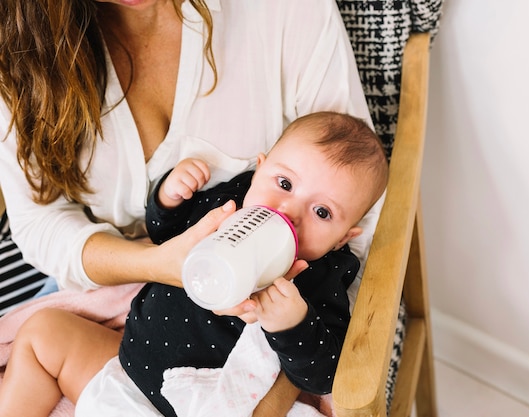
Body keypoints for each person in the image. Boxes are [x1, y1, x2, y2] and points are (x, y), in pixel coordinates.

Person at [0, 111, 389, 417]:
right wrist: (168, 198)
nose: (290, 210)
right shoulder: (228, 204)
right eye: (284, 184)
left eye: (322, 212)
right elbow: (164, 235)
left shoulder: (321, 278)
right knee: (43, 334)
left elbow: (323, 375)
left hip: (205, 405)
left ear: (343, 238)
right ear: (259, 169)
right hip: (125, 375)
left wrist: (293, 325)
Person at [0, 0, 376, 300]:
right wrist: (154, 264)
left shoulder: (283, 11)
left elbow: (362, 209)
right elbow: (40, 221)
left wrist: (293, 344)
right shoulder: (18, 46)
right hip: (106, 292)